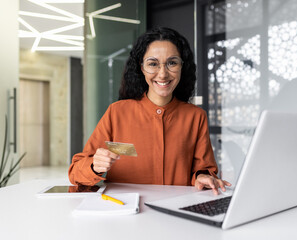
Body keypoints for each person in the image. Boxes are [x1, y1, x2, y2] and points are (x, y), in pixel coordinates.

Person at [68, 27, 231, 195]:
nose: (162, 74)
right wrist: (95, 165)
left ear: (182, 66)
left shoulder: (196, 117)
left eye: (172, 63)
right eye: (153, 64)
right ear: (141, 68)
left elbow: (203, 169)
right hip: (125, 213)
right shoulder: (116, 113)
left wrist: (202, 177)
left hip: (175, 213)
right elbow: (75, 173)